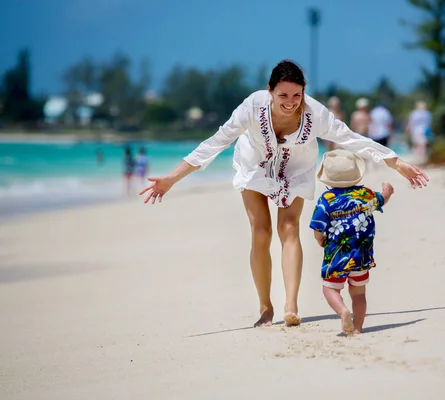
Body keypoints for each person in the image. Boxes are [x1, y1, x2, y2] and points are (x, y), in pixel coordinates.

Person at [139, 59, 428, 328]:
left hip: (296, 167)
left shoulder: (316, 114)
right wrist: (172, 178)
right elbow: (214, 143)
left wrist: (397, 163)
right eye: (283, 96)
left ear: (304, 92)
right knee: (261, 232)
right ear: (270, 91)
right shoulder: (251, 108)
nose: (290, 103)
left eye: (296, 95)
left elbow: (352, 139)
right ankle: (266, 306)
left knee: (289, 228)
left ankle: (291, 305)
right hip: (254, 165)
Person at [309, 150, 394, 334]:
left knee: (329, 289)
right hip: (361, 256)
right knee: (359, 294)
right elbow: (382, 200)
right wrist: (387, 192)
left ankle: (343, 311)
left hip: (336, 256)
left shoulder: (327, 200)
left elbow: (317, 226)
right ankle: (358, 328)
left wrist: (320, 239)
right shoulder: (365, 194)